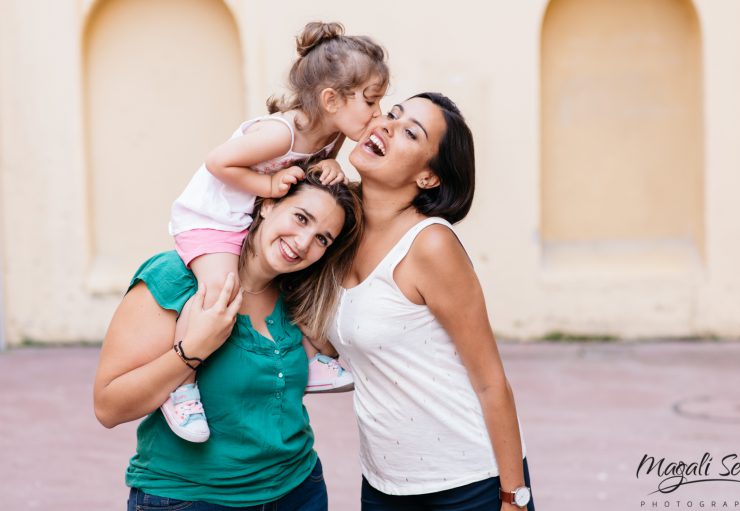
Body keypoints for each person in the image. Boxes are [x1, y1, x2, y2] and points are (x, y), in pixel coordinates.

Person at [165, 21, 388, 441]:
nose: (377, 114)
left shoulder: (330, 136)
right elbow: (218, 163)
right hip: (210, 219)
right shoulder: (280, 133)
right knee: (220, 291)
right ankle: (180, 387)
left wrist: (336, 166)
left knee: (294, 282)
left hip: (247, 218)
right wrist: (267, 186)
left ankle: (309, 357)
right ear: (330, 99)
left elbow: (309, 177)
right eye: (372, 101)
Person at [93, 171, 362, 510]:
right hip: (191, 498)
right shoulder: (176, 278)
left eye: (322, 238)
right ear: (267, 204)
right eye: (300, 217)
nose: (304, 242)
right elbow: (109, 406)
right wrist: (192, 352)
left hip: (298, 489)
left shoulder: (299, 294)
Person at [327, 93, 535, 510]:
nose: (385, 125)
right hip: (384, 486)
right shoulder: (339, 231)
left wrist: (513, 498)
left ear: (428, 178)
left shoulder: (431, 246)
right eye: (392, 113)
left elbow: (490, 381)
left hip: (467, 485)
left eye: (409, 132)